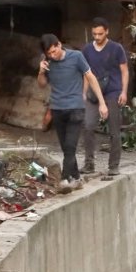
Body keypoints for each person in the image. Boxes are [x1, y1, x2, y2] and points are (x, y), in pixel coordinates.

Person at [37, 33, 107, 188]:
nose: (52, 55)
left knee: (70, 146)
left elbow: (90, 77)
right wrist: (41, 71)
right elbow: (41, 84)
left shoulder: (76, 57)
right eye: (49, 53)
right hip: (57, 109)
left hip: (75, 108)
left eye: (54, 51)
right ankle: (76, 178)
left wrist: (102, 103)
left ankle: (65, 179)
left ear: (59, 45)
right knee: (66, 148)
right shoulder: (47, 62)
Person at [81, 17, 129, 177]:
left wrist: (124, 91)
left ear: (107, 31)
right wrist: (83, 93)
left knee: (114, 130)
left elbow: (124, 71)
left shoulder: (116, 49)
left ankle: (113, 166)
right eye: (94, 34)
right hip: (93, 93)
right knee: (88, 126)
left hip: (113, 91)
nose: (97, 37)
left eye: (100, 34)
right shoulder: (87, 50)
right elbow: (86, 74)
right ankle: (89, 164)